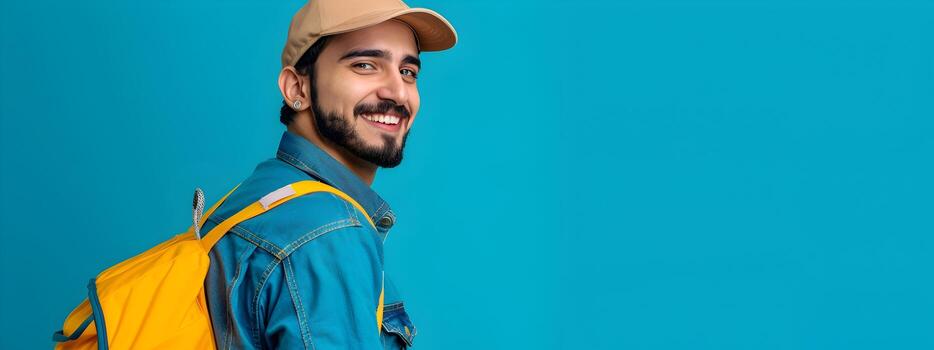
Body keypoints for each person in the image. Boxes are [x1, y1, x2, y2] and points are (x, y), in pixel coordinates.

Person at [199, 0, 457, 348]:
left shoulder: (259, 195)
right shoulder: (328, 232)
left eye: (408, 72)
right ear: (297, 89)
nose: (398, 92)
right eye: (365, 65)